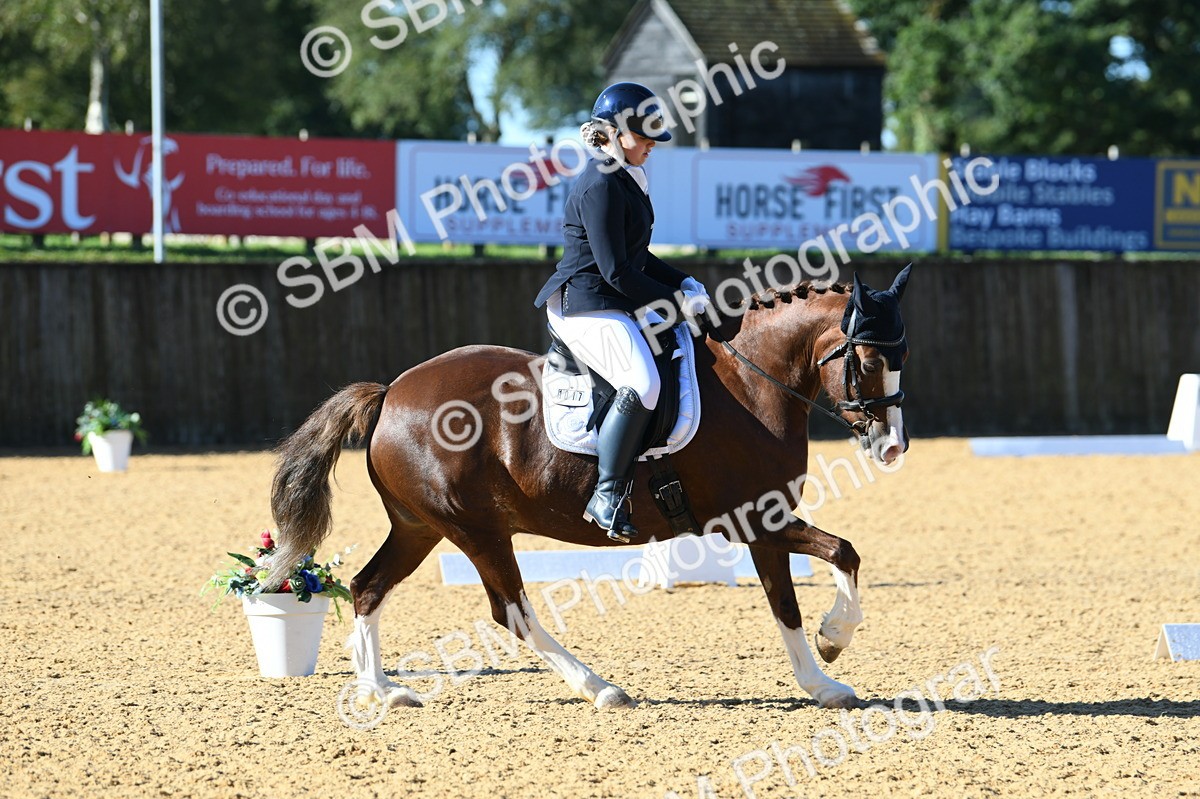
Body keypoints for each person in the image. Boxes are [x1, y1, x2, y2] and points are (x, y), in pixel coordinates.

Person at [533, 81, 712, 544]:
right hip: (586, 305)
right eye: (643, 135)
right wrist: (675, 303)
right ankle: (607, 494)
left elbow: (639, 257)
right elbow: (615, 272)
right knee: (643, 381)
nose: (652, 143)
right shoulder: (601, 185)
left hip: (612, 298)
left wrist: (682, 281)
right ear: (612, 133)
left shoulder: (626, 178)